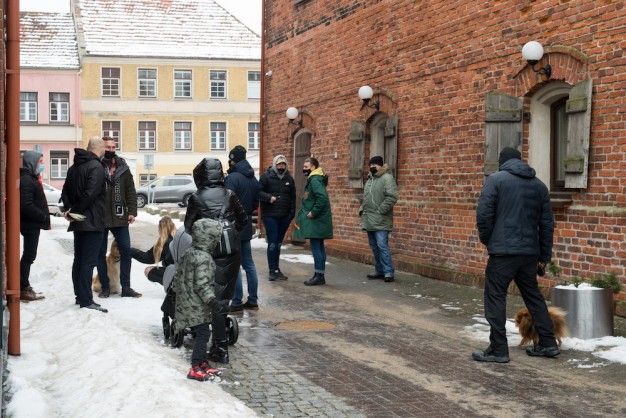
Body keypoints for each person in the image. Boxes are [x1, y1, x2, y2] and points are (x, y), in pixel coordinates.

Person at [473, 147, 558, 363]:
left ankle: (498, 349)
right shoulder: (539, 185)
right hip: (529, 252)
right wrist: (543, 256)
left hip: (503, 252)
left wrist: (488, 240)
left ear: (502, 162)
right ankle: (548, 343)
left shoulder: (495, 180)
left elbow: (483, 215)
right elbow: (547, 224)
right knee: (533, 296)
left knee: (495, 296)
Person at [185, 157, 247, 364]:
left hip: (208, 253)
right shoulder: (230, 194)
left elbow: (189, 227)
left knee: (210, 298)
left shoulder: (196, 197)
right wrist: (230, 234)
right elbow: (243, 220)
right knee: (222, 299)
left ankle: (219, 347)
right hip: (231, 253)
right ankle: (220, 344)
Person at [173, 217, 230, 381]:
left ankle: (203, 363)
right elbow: (202, 285)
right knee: (203, 333)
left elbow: (178, 276)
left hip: (187, 300)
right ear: (209, 238)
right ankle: (195, 367)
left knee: (203, 332)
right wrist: (214, 302)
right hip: (196, 304)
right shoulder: (204, 257)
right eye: (215, 238)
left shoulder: (189, 252)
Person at [61, 136, 108, 313]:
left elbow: (65, 191)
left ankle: (80, 295)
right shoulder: (96, 166)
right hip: (92, 221)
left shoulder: (74, 167)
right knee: (88, 262)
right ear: (100, 148)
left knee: (79, 260)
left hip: (78, 221)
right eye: (104, 148)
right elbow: (91, 194)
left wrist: (70, 211)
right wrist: (75, 212)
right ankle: (86, 300)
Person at [96, 136, 141, 298]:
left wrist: (132, 211)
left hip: (120, 216)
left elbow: (130, 191)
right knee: (100, 254)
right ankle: (105, 287)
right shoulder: (96, 166)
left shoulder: (123, 167)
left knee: (126, 251)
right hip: (101, 217)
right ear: (102, 148)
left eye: (113, 147)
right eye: (108, 147)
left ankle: (126, 287)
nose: (111, 150)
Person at [224, 145, 260, 311]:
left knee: (234, 264)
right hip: (246, 223)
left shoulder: (232, 178)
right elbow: (256, 202)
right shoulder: (252, 178)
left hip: (233, 224)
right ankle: (252, 300)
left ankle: (237, 301)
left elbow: (227, 202)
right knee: (248, 263)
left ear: (233, 159)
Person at [294, 157, 333, 286]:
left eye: (306, 167)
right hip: (318, 220)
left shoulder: (315, 180)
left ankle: (319, 275)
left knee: (316, 247)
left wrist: (313, 212)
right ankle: (319, 274)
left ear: (313, 167)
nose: (304, 169)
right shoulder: (315, 179)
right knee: (319, 246)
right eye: (304, 167)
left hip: (316, 219)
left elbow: (322, 198)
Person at [360, 156, 398, 283]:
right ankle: (379, 270)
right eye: (370, 165)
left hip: (381, 219)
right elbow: (366, 198)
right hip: (369, 218)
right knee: (374, 247)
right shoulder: (370, 179)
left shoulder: (387, 178)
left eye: (375, 165)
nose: (372, 167)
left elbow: (392, 197)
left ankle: (388, 272)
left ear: (381, 166)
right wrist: (362, 209)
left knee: (382, 245)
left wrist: (380, 210)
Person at [259, 154, 296, 281]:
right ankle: (272, 270)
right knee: (273, 243)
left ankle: (276, 269)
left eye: (283, 164)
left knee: (279, 244)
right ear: (275, 164)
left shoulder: (289, 178)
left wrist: (291, 214)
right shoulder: (266, 177)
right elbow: (258, 192)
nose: (281, 166)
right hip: (270, 215)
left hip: (284, 216)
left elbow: (293, 197)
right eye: (279, 164)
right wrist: (269, 197)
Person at [19, 150, 50, 301]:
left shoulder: (30, 177)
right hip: (30, 223)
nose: (41, 165)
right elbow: (25, 204)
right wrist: (42, 215)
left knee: (29, 256)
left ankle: (24, 285)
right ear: (32, 162)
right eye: (40, 162)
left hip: (31, 223)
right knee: (29, 256)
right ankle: (22, 287)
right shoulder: (27, 179)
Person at [130, 215, 177, 285]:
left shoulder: (164, 242)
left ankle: (173, 287)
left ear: (161, 229)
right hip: (187, 273)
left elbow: (146, 258)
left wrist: (130, 251)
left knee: (148, 270)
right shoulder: (178, 238)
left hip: (176, 275)